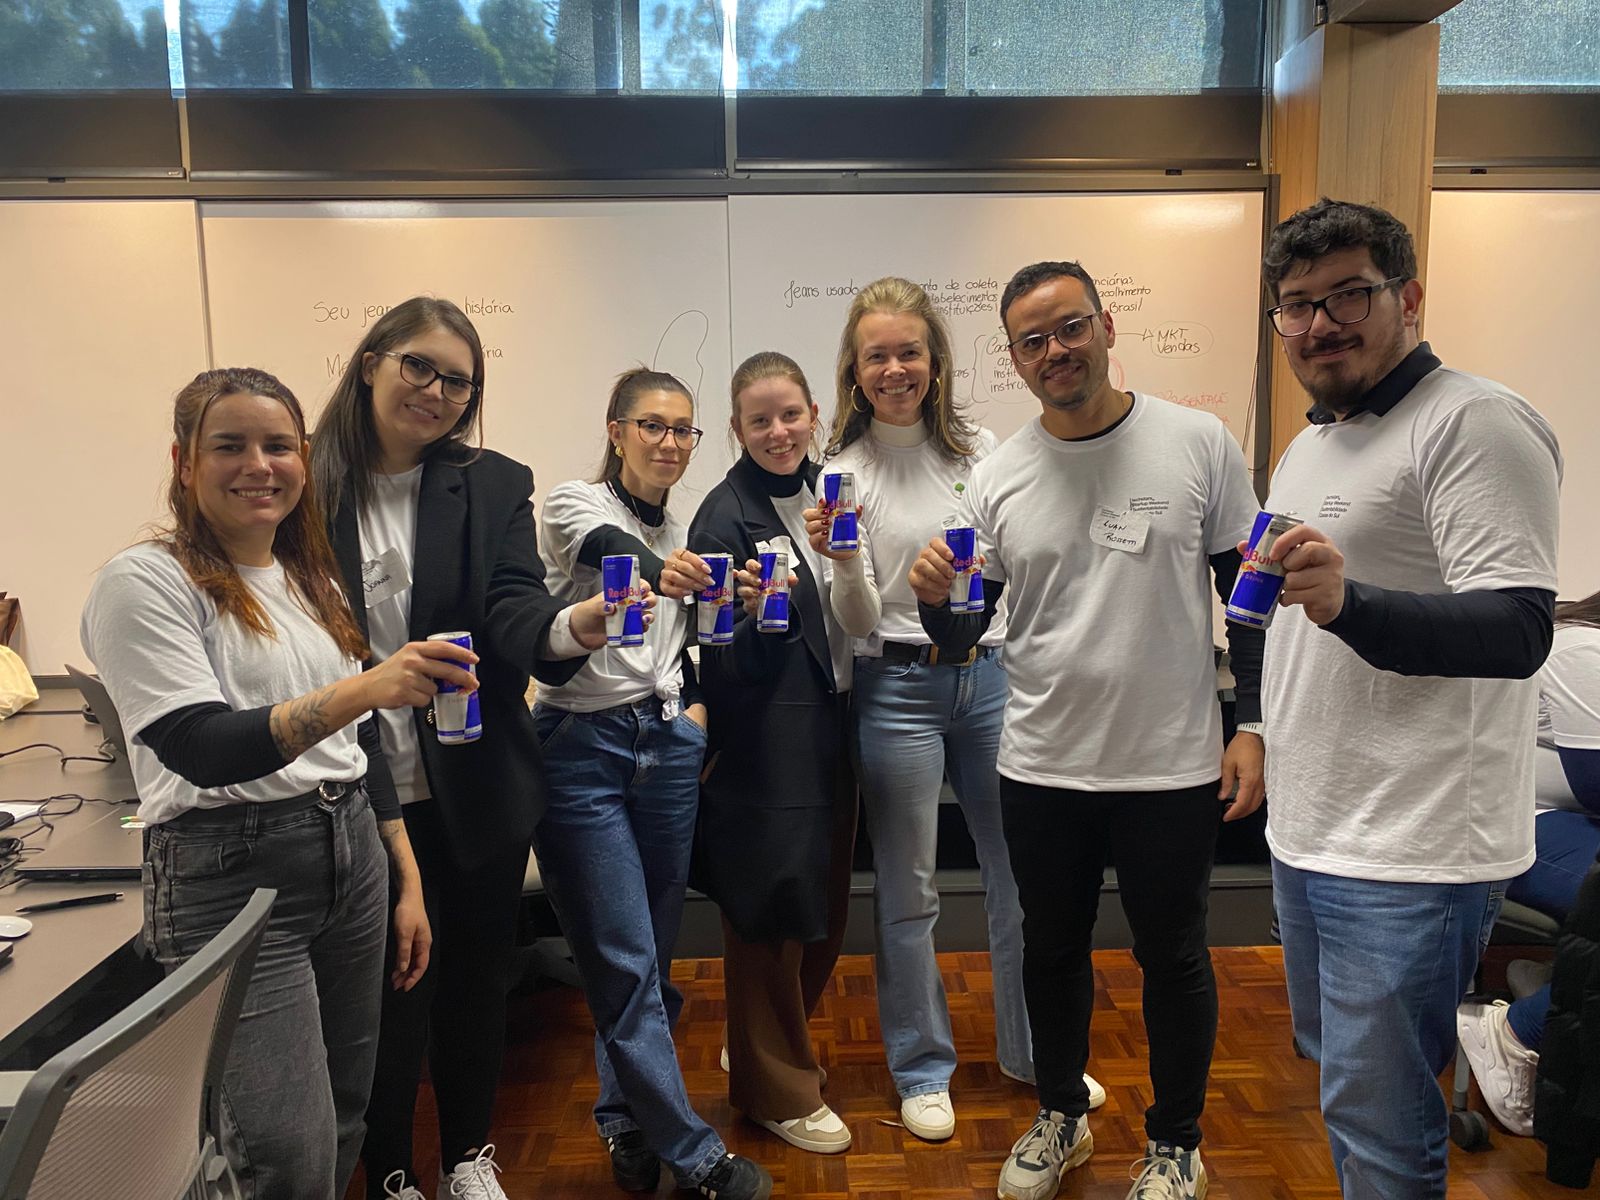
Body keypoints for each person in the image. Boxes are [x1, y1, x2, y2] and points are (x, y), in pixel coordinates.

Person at [910, 259, 1265, 1200]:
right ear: (1015, 360)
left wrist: (1254, 723)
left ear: (1106, 327)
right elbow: (964, 634)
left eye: (1070, 328)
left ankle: (1177, 1144)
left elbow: (1249, 600)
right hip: (1042, 763)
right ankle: (1061, 1114)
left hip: (1171, 765)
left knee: (1173, 956)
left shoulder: (1198, 442)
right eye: (1032, 341)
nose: (1054, 350)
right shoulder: (997, 478)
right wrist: (937, 599)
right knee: (1052, 950)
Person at [81, 366, 476, 1200]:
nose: (259, 466)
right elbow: (200, 747)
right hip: (229, 875)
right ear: (184, 461)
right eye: (231, 446)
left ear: (304, 457)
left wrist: (403, 874)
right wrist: (364, 689)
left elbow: (358, 750)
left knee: (344, 1115)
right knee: (282, 1154)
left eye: (279, 446)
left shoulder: (307, 577)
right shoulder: (145, 582)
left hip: (350, 855)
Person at [1256, 198, 1562, 1198]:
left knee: (1383, 1127)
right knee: (1349, 1093)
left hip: (1411, 847)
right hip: (1316, 828)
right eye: (1297, 304)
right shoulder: (1314, 443)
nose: (1318, 324)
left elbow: (1517, 629)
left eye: (1348, 295)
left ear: (1410, 297)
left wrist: (1349, 604)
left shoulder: (1474, 422)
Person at [309, 297, 615, 1200]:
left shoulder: (491, 483)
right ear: (372, 361)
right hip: (355, 784)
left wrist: (567, 628)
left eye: (459, 381)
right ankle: (390, 1169)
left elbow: (512, 603)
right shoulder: (304, 485)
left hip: (475, 780)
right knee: (389, 991)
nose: (438, 392)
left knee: (476, 978)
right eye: (420, 366)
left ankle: (468, 1157)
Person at [820, 276, 1104, 1143]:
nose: (895, 370)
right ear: (855, 370)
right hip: (896, 688)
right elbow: (858, 621)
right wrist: (844, 562)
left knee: (1019, 876)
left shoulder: (985, 451)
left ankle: (1033, 1052)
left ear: (935, 360)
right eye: (877, 356)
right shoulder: (842, 472)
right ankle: (921, 1069)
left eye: (909, 351)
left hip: (991, 679)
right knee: (908, 888)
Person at [534, 368, 772, 1200]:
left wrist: (732, 616)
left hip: (665, 745)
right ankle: (694, 1155)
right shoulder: (574, 504)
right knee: (625, 956)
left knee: (648, 956)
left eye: (683, 430)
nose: (670, 443)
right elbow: (615, 553)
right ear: (617, 430)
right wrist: (673, 569)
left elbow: (692, 637)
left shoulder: (681, 527)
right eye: (653, 426)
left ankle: (623, 1115)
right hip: (580, 750)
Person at [687, 351, 876, 1154]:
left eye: (790, 414)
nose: (778, 431)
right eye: (759, 419)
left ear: (814, 416)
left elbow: (856, 616)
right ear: (736, 429)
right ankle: (774, 1091)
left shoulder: (830, 495)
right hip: (766, 741)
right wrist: (759, 617)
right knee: (770, 909)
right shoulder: (721, 517)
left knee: (822, 906)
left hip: (834, 724)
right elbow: (717, 658)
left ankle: (762, 1046)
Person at [1456, 590, 1600, 1138]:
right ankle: (1516, 1031)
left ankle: (1566, 979)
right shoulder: (1582, 650)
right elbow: (1595, 785)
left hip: (1571, 823)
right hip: (1516, 826)